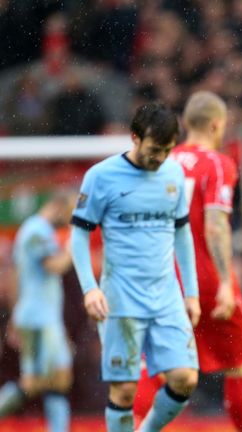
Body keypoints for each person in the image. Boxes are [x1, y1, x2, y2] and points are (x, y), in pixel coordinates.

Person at [69, 102, 200, 432]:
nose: (160, 158)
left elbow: (182, 232)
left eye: (167, 151)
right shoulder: (101, 177)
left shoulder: (172, 173)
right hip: (121, 298)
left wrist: (192, 293)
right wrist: (89, 289)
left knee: (185, 379)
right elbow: (78, 235)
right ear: (135, 138)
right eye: (155, 150)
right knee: (125, 390)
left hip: (166, 295)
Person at [133, 91, 242, 431]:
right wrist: (224, 283)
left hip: (162, 277)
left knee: (154, 363)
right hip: (203, 277)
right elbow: (216, 225)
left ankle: (133, 425)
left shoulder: (162, 162)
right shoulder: (218, 163)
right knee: (240, 361)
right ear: (218, 125)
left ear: (186, 124)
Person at [0, 191, 76, 432]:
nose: (70, 221)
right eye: (70, 214)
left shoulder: (34, 230)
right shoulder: (37, 231)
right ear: (59, 206)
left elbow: (18, 276)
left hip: (40, 317)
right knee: (37, 381)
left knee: (58, 378)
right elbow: (55, 265)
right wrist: (78, 240)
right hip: (39, 319)